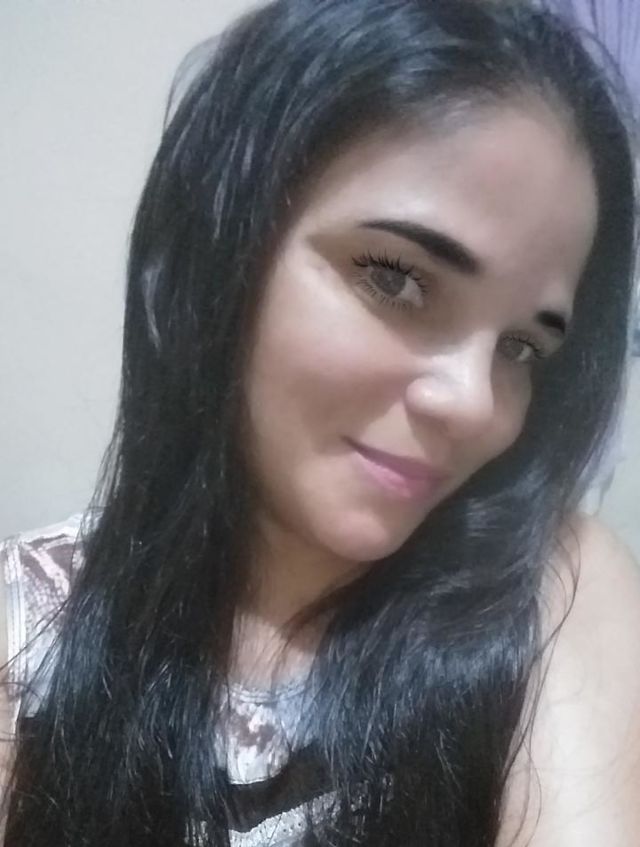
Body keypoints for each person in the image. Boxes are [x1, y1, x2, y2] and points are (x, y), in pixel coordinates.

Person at [1, 0, 639, 844]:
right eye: (397, 279)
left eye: (521, 347)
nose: (474, 402)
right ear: (224, 242)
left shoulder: (546, 594)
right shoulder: (30, 627)